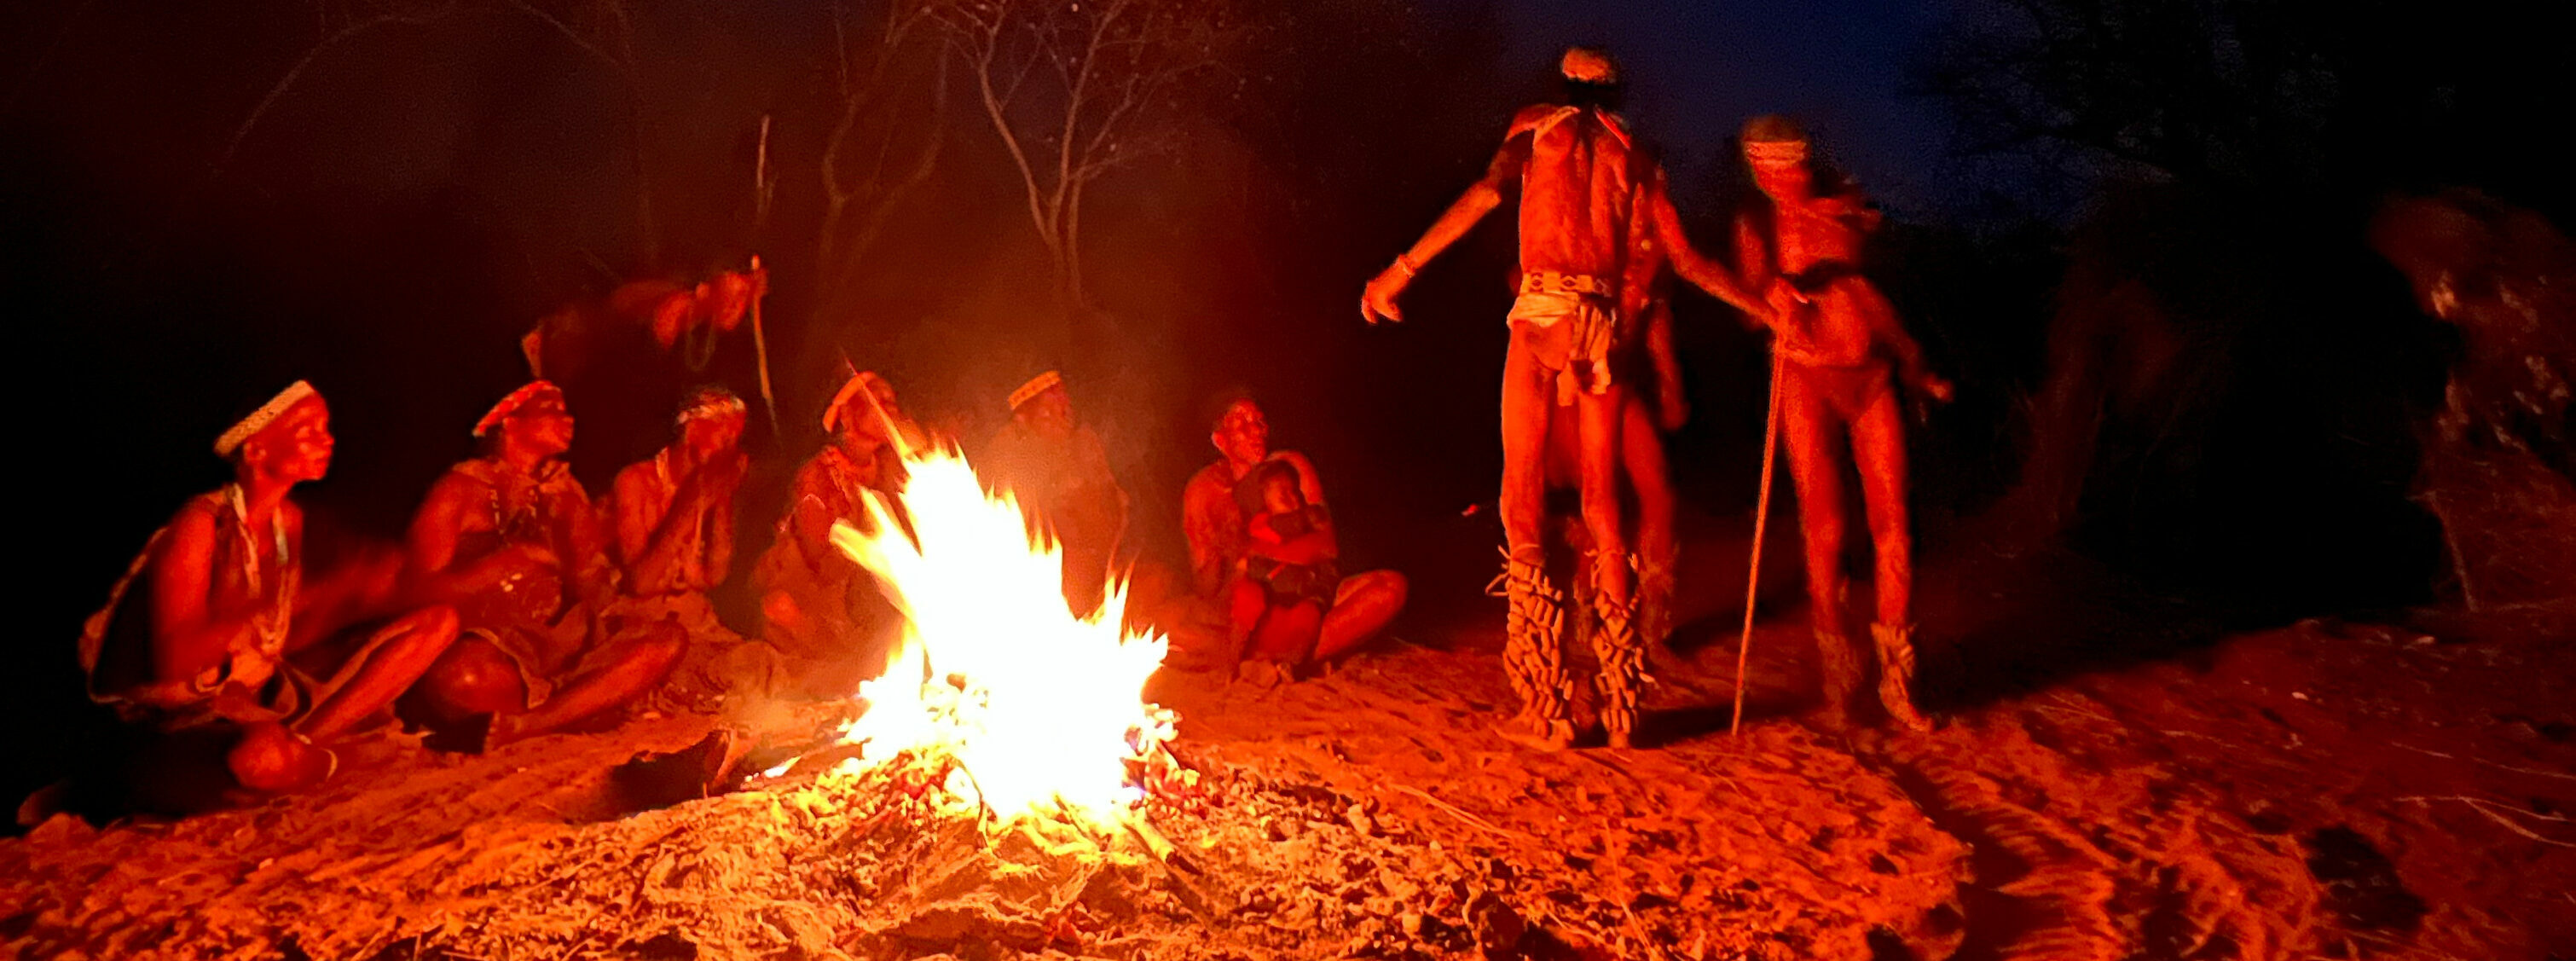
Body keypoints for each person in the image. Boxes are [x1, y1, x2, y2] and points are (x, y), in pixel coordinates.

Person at [1360, 47, 1768, 749]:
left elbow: (1484, 195)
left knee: (1520, 496)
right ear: (1616, 92)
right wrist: (1764, 308)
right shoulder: (1637, 154)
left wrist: (1398, 271)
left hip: (1543, 311)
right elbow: (1689, 261)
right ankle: (1620, 706)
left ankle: (1544, 706)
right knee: (1604, 506)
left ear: (1559, 87)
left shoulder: (1535, 126)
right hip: (1600, 324)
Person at [78, 381, 460, 800]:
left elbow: (275, 640)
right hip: (177, 714)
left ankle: (308, 744)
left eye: (326, 426)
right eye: (307, 429)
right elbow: (178, 663)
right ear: (256, 451)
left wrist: (348, 595)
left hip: (255, 692)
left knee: (438, 622)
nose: (326, 439)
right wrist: (262, 605)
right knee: (258, 761)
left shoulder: (287, 521)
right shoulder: (201, 525)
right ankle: (320, 760)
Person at [1730, 115, 1951, 732]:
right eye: (1765, 169)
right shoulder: (1755, 224)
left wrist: (1912, 363)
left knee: (1893, 529)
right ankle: (1838, 679)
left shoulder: (1847, 208)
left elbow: (1871, 295)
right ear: (1753, 169)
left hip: (1870, 378)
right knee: (1824, 531)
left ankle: (1898, 682)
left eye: (1788, 164)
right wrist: (1771, 300)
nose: (1779, 178)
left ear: (1805, 161)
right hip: (1805, 380)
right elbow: (1749, 307)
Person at [406, 380, 687, 746]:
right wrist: (502, 563)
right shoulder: (459, 491)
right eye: (550, 409)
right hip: (497, 647)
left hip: (565, 644)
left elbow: (591, 591)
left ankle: (527, 724)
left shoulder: (564, 489)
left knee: (666, 640)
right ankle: (585, 706)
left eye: (566, 409)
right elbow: (414, 593)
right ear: (509, 422)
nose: (567, 418)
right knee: (459, 681)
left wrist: (568, 522)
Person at [1181, 397, 1407, 678]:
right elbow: (1206, 587)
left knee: (1390, 587)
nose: (1258, 431)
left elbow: (1326, 548)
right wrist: (1217, 552)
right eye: (1242, 424)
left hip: (1307, 592)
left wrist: (1249, 550)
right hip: (1249, 611)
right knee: (1171, 624)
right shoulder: (1203, 491)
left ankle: (1273, 658)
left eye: (1260, 422)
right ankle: (1287, 656)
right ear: (1220, 440)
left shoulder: (1291, 466)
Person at [754, 368, 906, 696]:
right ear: (848, 416)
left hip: (863, 597)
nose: (891, 409)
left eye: (893, 401)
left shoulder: (890, 470)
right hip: (818, 599)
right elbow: (821, 557)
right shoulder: (818, 475)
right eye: (879, 400)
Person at [983, 370, 1130, 618]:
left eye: (1065, 402)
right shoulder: (1008, 459)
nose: (1064, 412)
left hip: (1109, 579)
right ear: (1022, 419)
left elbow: (1116, 511)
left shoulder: (1084, 443)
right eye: (1050, 408)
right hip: (1051, 591)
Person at [606, 386, 750, 636]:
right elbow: (640, 584)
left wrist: (722, 498)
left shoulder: (716, 478)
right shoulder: (636, 481)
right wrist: (690, 504)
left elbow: (714, 576)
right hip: (639, 624)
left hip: (694, 621)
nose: (731, 444)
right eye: (724, 432)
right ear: (692, 429)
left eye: (736, 435)